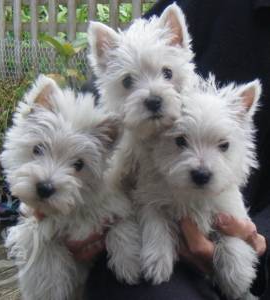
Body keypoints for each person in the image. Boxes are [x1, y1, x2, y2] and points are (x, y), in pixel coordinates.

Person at [40, 0, 270, 298]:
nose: (152, 94)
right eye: (130, 81)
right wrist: (50, 178)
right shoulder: (204, 8)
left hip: (240, 234)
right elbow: (93, 97)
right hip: (136, 246)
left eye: (166, 74)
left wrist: (260, 234)